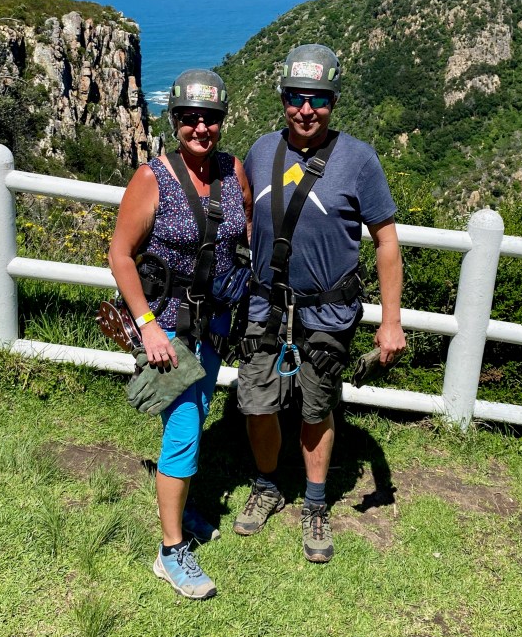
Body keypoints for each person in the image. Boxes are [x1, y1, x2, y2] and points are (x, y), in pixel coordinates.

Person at [233, 43, 406, 562]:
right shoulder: (262, 151)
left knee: (316, 407)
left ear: (333, 101)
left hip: (327, 311)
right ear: (283, 98)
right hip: (265, 306)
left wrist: (391, 321)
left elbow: (387, 242)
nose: (306, 109)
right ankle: (267, 485)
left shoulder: (358, 159)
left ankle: (314, 504)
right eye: (296, 97)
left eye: (318, 99)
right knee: (257, 403)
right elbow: (243, 221)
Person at [109, 69, 251, 599]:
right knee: (185, 428)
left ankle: (182, 507)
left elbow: (243, 235)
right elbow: (120, 255)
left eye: (210, 118)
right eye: (189, 118)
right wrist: (146, 326)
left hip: (214, 323)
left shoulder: (232, 171)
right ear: (175, 120)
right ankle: (171, 552)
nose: (200, 128)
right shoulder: (152, 178)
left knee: (197, 413)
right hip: (168, 327)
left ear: (221, 121)